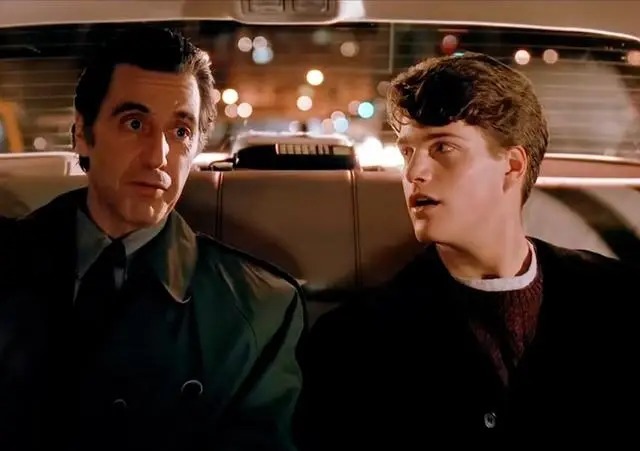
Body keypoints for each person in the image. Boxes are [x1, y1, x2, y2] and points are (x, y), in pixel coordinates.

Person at [295, 52, 639, 448]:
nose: (414, 173)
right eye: (407, 152)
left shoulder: (620, 302)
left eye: (443, 147)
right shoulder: (353, 343)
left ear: (512, 166)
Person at [0, 26, 304, 451]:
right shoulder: (11, 259)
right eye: (135, 123)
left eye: (180, 132)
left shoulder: (258, 308)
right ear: (82, 134)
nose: (158, 156)